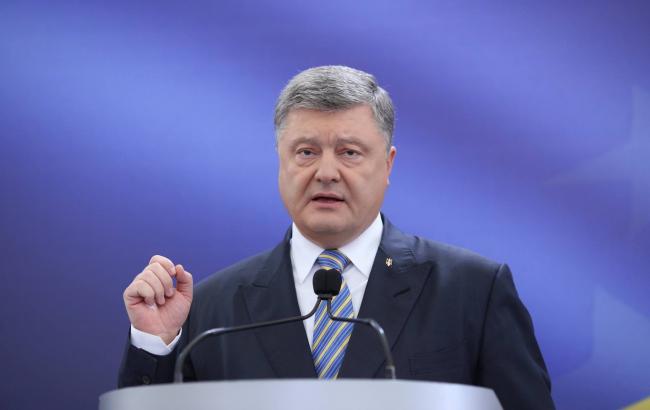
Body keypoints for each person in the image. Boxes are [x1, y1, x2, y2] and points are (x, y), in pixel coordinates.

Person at [118, 65, 555, 409]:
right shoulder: (212, 308)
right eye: (306, 152)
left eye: (349, 152)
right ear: (280, 161)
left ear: (388, 164)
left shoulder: (472, 291)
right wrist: (155, 344)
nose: (326, 172)